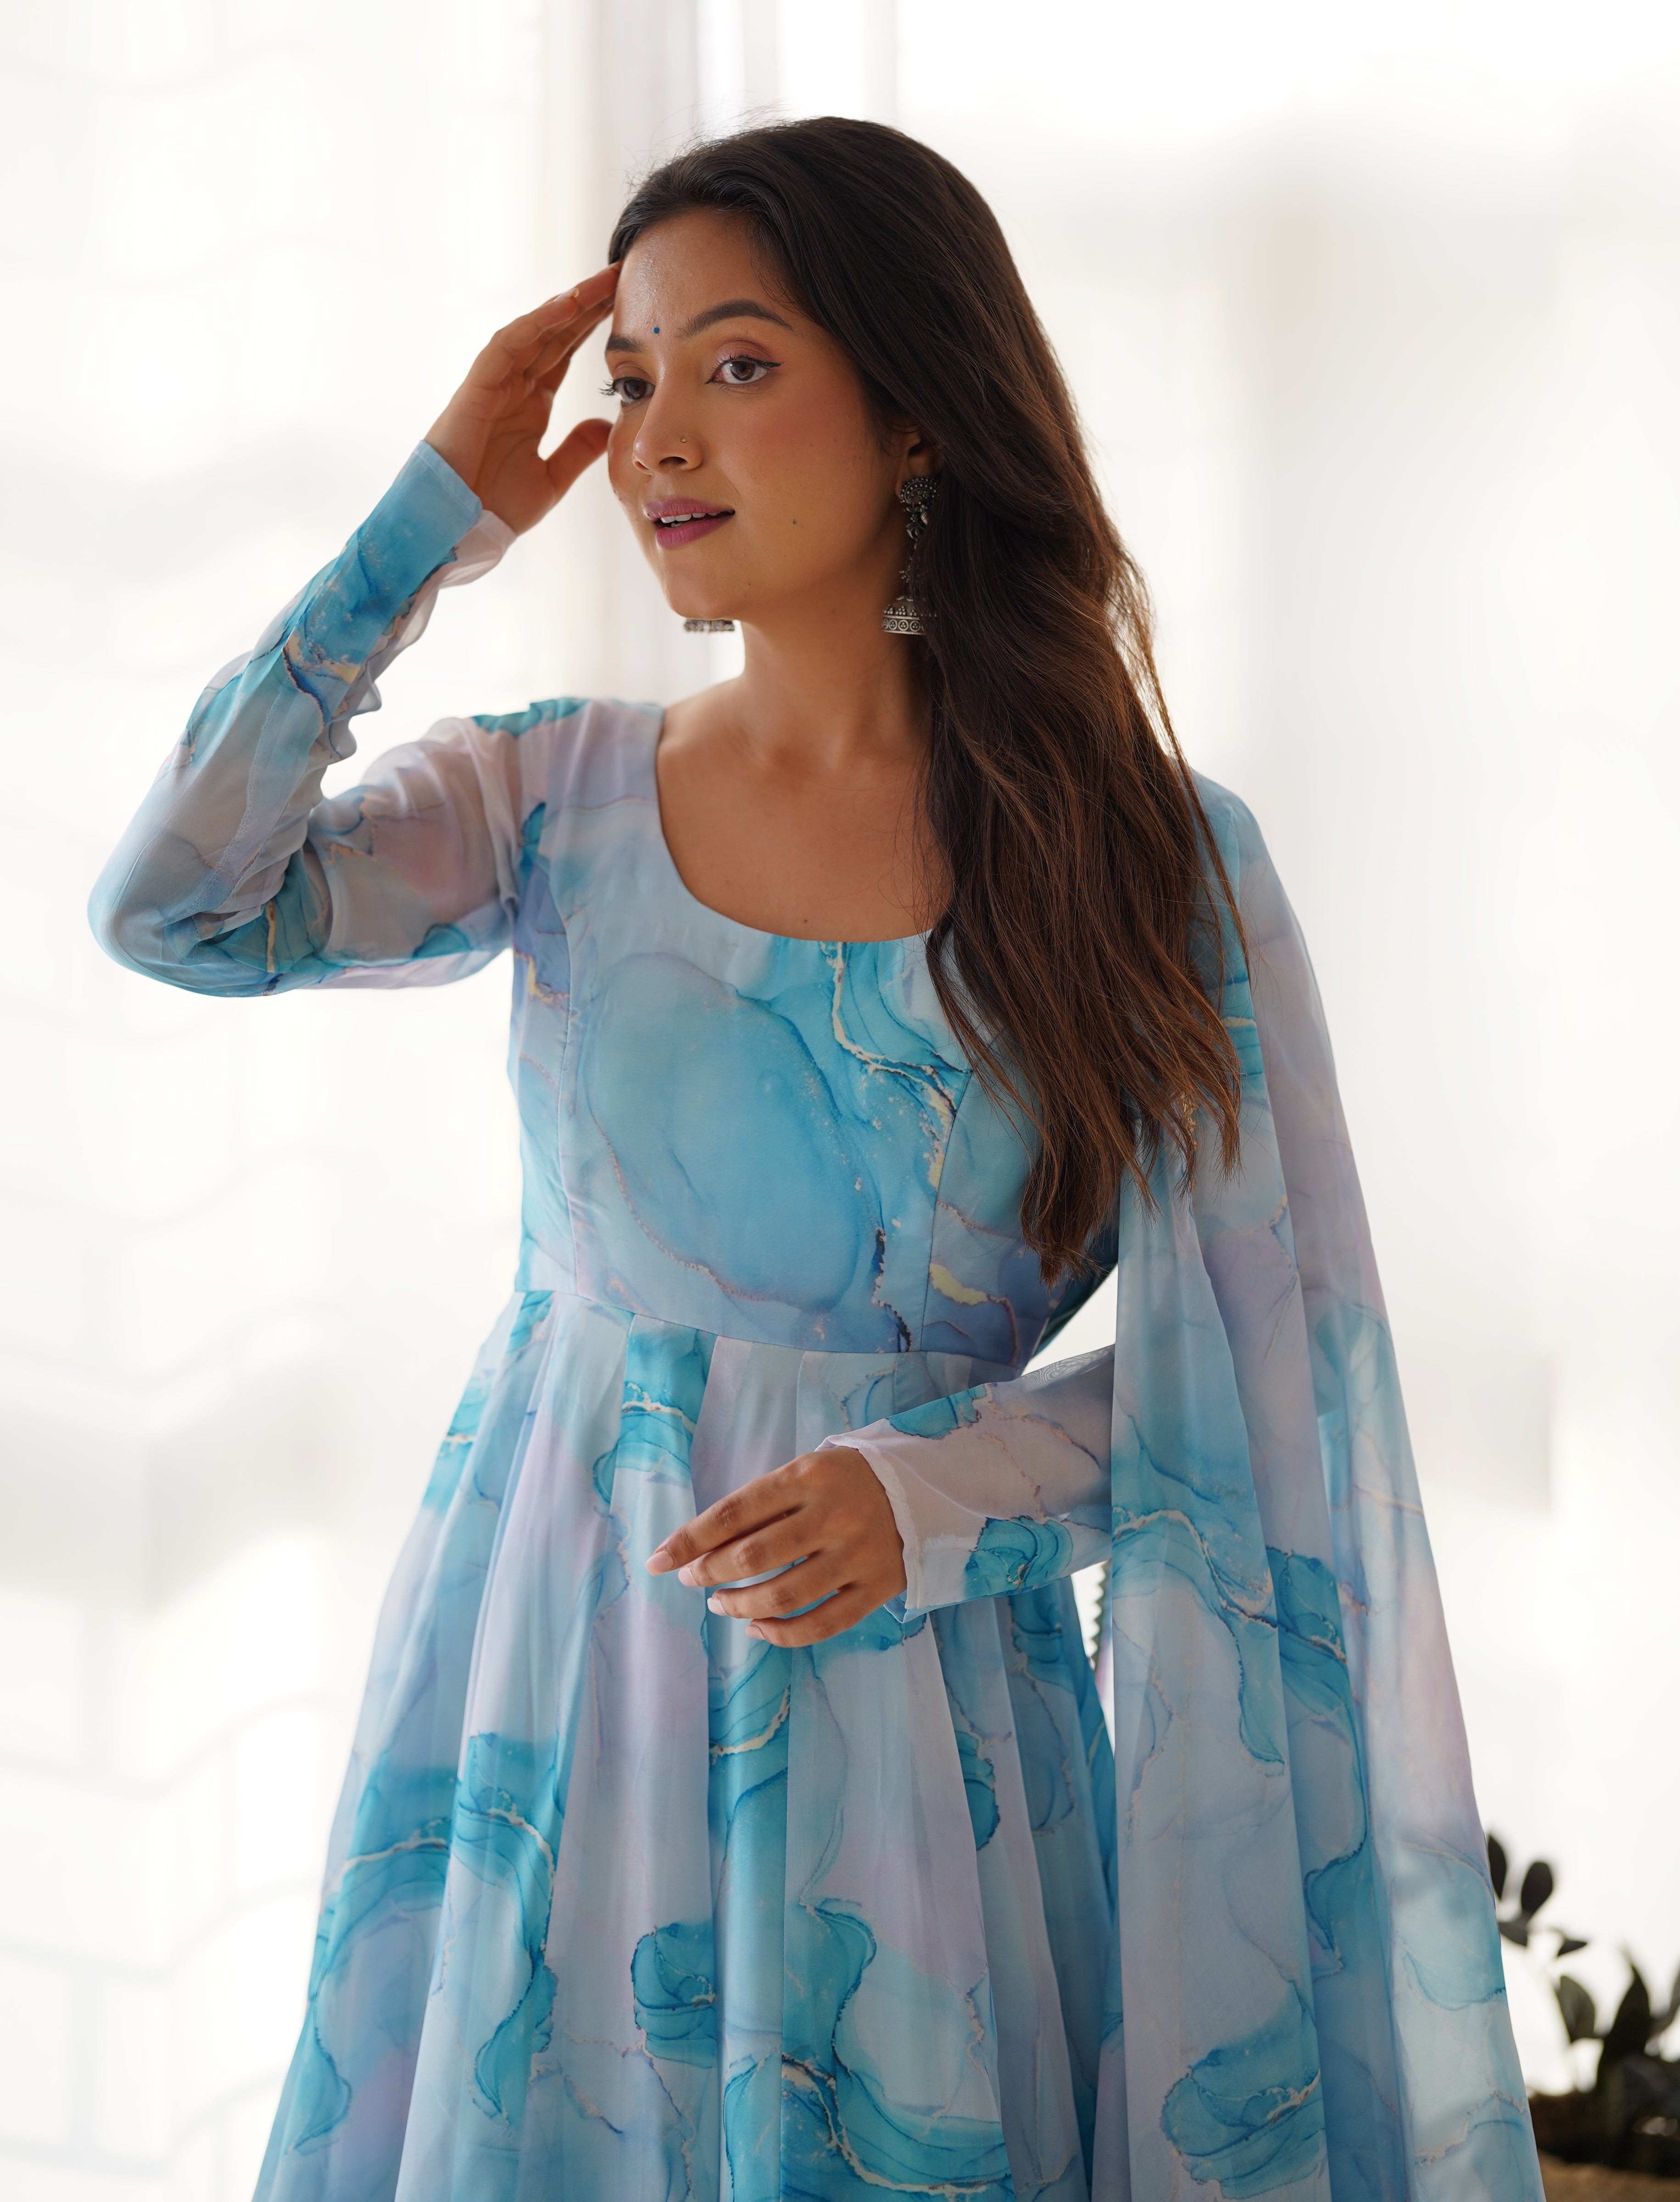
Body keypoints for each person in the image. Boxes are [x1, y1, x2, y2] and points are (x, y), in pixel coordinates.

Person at [91, 118, 1540, 2202]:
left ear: (923, 412)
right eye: (633, 378)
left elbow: (1276, 1382)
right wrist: (421, 532)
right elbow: (177, 910)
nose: (660, 435)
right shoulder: (546, 802)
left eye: (737, 365)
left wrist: (930, 1488)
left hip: (925, 1745)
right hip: (561, 1684)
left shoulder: (1155, 860)